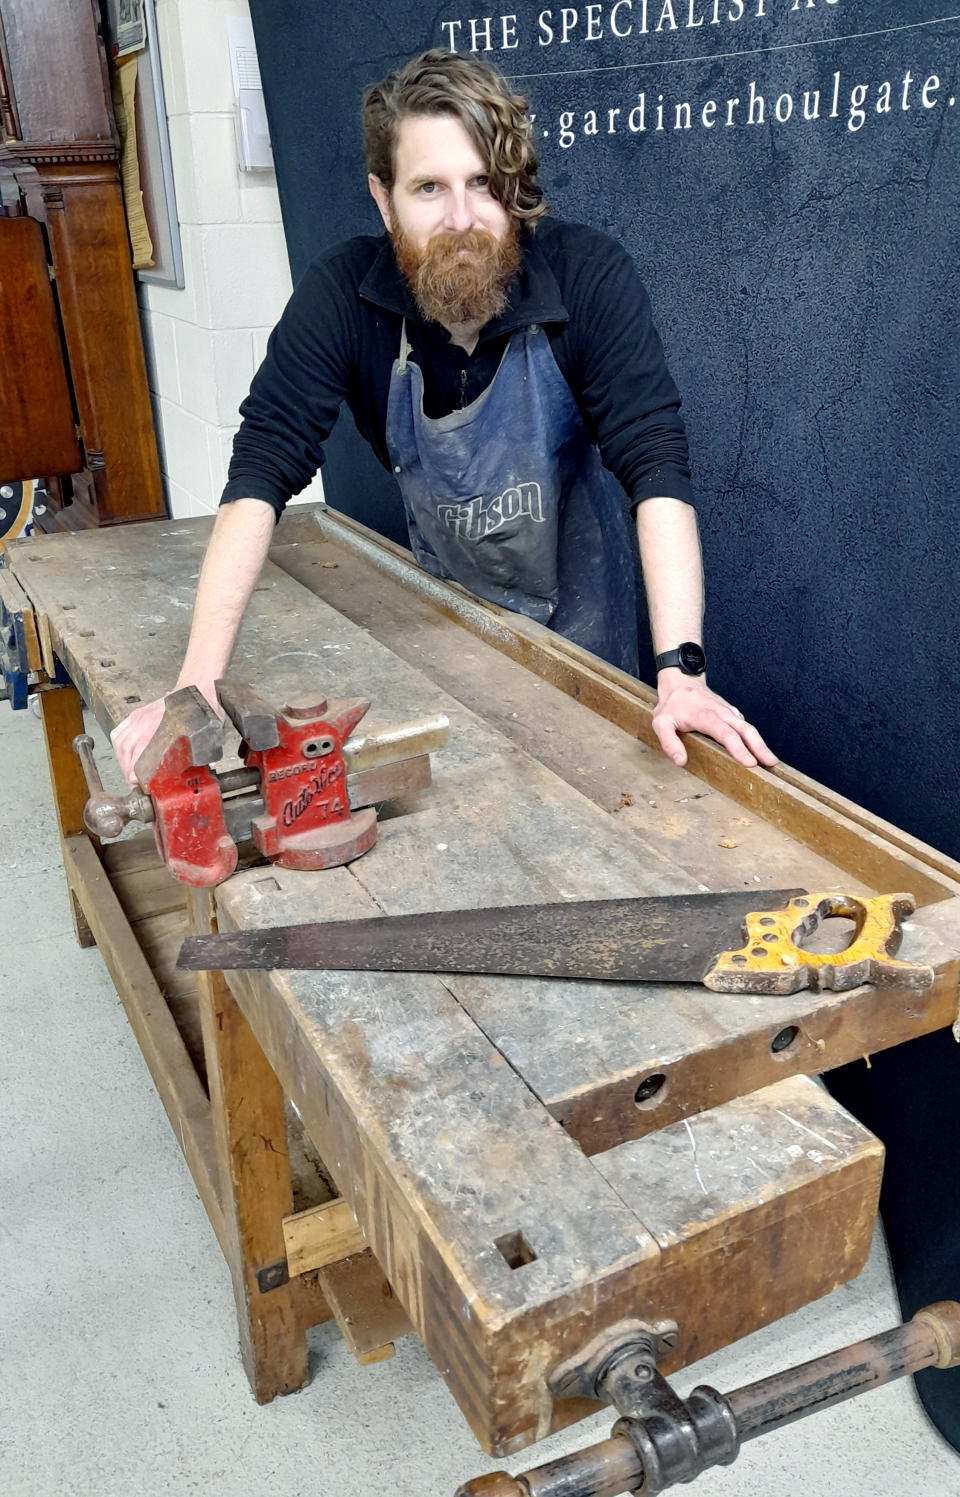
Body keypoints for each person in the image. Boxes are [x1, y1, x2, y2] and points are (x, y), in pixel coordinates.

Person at [112, 48, 775, 781]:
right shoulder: (344, 297)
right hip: (445, 623)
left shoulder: (588, 276)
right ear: (383, 197)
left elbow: (656, 466)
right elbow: (262, 469)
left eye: (484, 184)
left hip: (586, 634)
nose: (463, 219)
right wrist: (197, 687)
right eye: (429, 187)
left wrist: (681, 674)